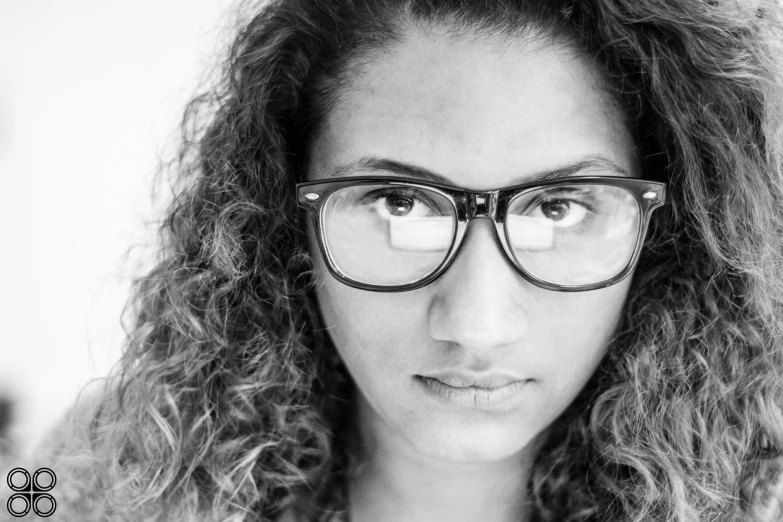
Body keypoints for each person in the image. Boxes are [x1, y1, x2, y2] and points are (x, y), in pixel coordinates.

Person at [31, 0, 783, 521]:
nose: (476, 326)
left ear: (674, 231)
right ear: (279, 215)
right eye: (401, 206)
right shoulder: (107, 464)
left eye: (556, 209)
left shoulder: (762, 495)